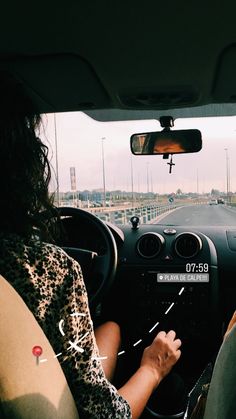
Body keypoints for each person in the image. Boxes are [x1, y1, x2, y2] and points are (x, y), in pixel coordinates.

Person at [0, 75, 182, 419]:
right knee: (117, 330)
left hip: (37, 359)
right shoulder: (46, 267)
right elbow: (105, 414)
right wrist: (153, 368)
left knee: (110, 328)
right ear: (21, 163)